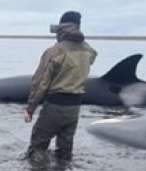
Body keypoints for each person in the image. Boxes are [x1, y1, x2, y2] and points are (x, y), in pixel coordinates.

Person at [25, 10, 97, 160]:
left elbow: (40, 83)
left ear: (61, 28)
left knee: (37, 148)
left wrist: (30, 109)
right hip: (74, 108)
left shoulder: (54, 52)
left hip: (55, 106)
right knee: (65, 151)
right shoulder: (88, 51)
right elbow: (91, 55)